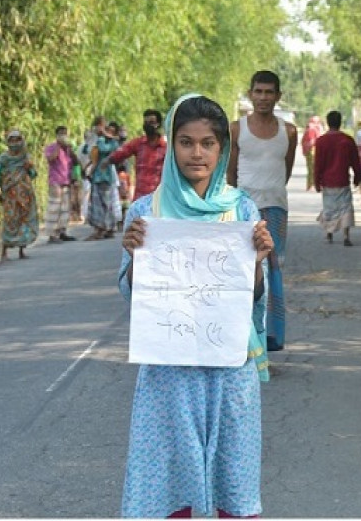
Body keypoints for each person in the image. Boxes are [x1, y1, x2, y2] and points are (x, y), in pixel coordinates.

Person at [118, 93, 274, 518]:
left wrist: (258, 261)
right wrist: (135, 256)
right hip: (168, 370)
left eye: (208, 142)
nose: (197, 153)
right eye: (186, 142)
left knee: (233, 473)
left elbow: (253, 296)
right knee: (164, 472)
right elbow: (136, 296)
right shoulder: (147, 212)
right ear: (172, 144)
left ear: (223, 147)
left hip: (229, 367)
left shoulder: (241, 209)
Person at [227, 70, 297, 352]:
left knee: (274, 268)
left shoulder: (289, 131)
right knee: (245, 269)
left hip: (276, 208)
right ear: (250, 93)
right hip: (244, 208)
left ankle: (271, 337)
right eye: (258, 92)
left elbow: (287, 169)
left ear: (278, 96)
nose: (263, 98)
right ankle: (243, 336)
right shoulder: (237, 129)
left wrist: (272, 193)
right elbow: (230, 173)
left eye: (269, 92)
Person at [313, 110, 361, 246]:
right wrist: (357, 177)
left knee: (329, 208)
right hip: (342, 180)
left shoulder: (321, 141)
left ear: (328, 123)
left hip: (328, 182)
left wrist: (316, 181)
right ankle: (346, 236)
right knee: (345, 208)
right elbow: (356, 162)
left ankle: (329, 234)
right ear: (340, 122)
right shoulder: (347, 140)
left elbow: (318, 164)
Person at [0, 129, 38, 260]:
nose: (15, 143)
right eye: (12, 140)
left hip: (25, 193)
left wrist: (29, 168)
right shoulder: (4, 157)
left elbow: (33, 174)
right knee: (10, 219)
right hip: (10, 193)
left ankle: (21, 249)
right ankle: (4, 251)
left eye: (17, 140)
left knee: (24, 219)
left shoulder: (25, 157)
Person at [106, 109, 167, 201]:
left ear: (158, 124)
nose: (147, 125)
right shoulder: (138, 144)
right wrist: (107, 161)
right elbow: (121, 153)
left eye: (151, 122)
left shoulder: (166, 147)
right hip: (140, 197)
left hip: (158, 199)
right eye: (145, 122)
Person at [86, 116, 120, 240]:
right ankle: (102, 228)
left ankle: (105, 228)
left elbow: (105, 149)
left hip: (105, 177)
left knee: (106, 204)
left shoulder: (109, 142)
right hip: (97, 176)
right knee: (98, 204)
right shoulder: (98, 140)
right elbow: (88, 151)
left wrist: (103, 137)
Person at [43, 126, 77, 243]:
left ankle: (62, 231)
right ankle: (51, 234)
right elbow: (50, 159)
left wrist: (70, 150)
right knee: (54, 207)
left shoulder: (67, 149)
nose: (64, 136)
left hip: (66, 181)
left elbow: (75, 162)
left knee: (65, 209)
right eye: (61, 134)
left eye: (65, 134)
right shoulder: (51, 147)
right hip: (55, 181)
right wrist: (58, 146)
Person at [301, 115, 323, 191]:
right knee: (313, 168)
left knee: (311, 168)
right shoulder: (312, 129)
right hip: (312, 150)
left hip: (311, 150)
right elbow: (312, 141)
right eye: (317, 122)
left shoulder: (311, 129)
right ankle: (311, 185)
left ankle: (310, 185)